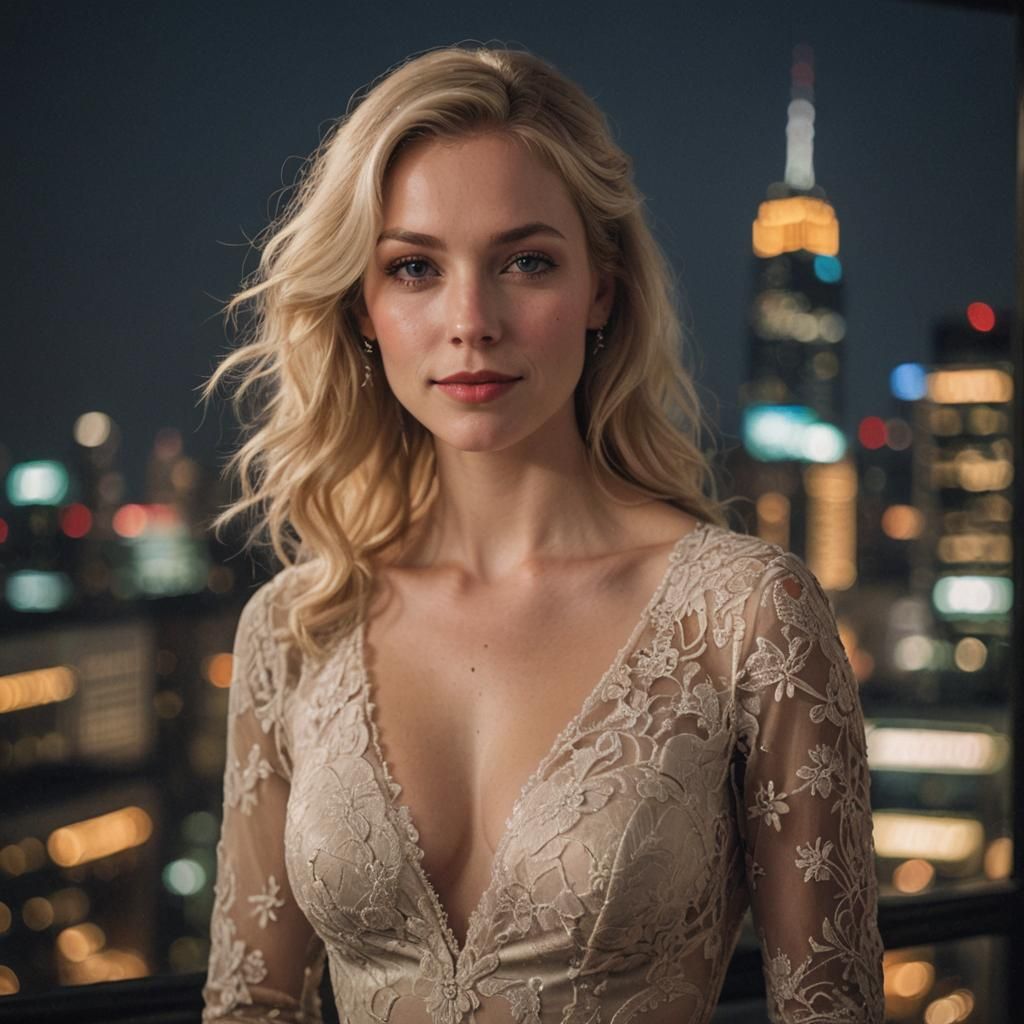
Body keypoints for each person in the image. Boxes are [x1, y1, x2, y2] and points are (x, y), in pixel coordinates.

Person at [199, 44, 885, 1024]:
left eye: (525, 262)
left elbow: (831, 1010)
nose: (471, 320)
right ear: (363, 306)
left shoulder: (747, 615)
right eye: (414, 267)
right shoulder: (293, 628)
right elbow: (250, 1007)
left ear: (601, 287)